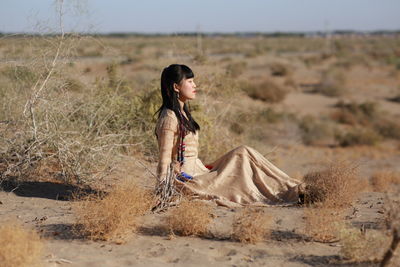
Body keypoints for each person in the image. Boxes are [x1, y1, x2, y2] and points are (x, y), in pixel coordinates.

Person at [155, 64, 305, 208]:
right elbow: (164, 159)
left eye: (193, 81)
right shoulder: (169, 118)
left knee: (243, 152)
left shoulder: (182, 114)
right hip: (189, 180)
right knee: (242, 162)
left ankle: (292, 188)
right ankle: (292, 192)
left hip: (200, 171)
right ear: (176, 87)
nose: (195, 85)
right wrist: (162, 190)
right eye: (190, 81)